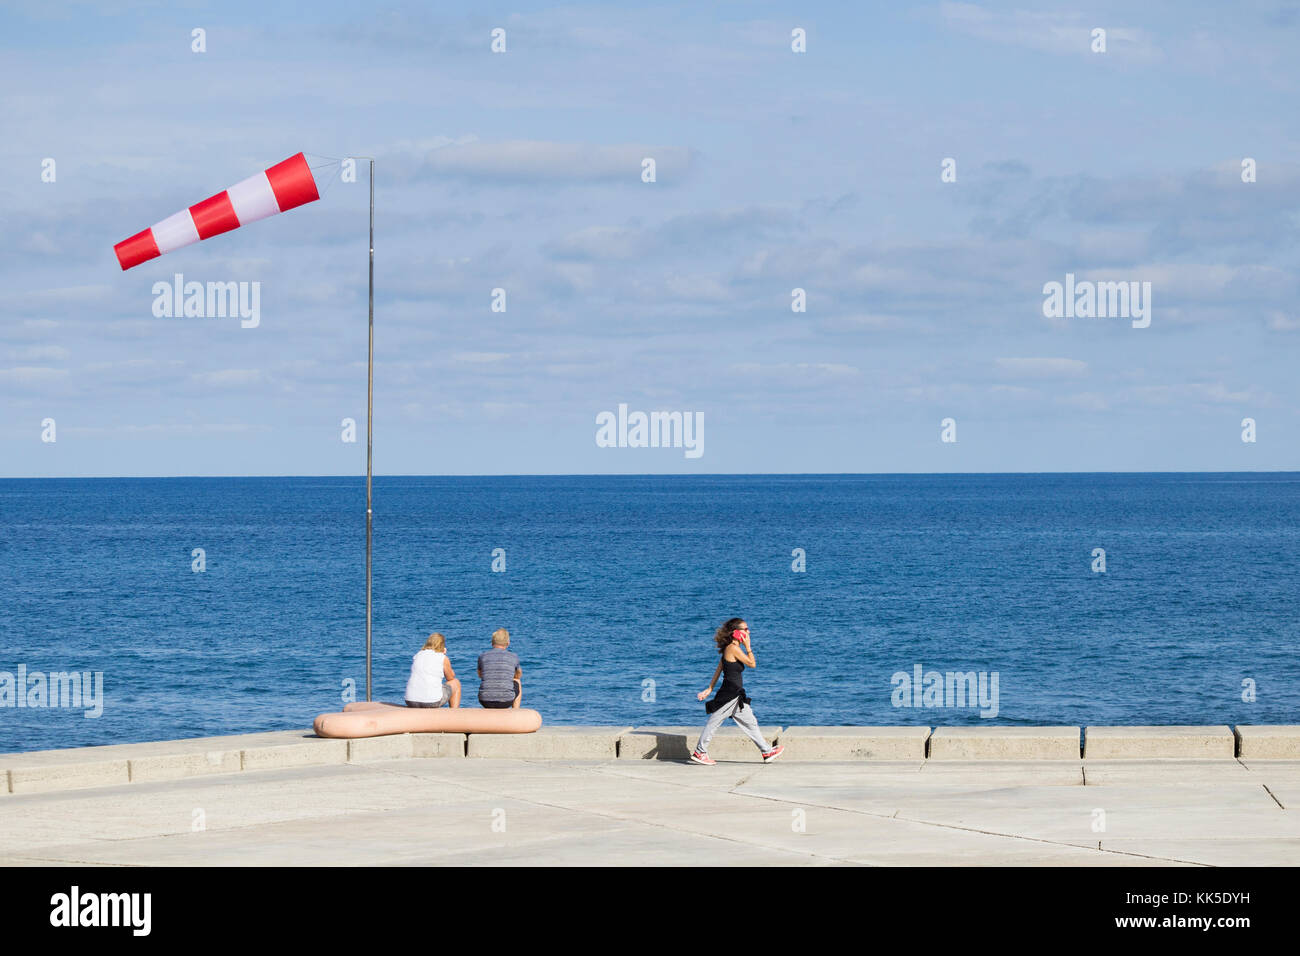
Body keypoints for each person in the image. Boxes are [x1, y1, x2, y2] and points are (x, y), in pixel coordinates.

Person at [691, 618, 783, 765]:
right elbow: (752, 664)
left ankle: (766, 752)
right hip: (730, 694)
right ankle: (700, 752)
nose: (749, 632)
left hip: (737, 694)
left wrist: (709, 688)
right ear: (736, 633)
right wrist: (748, 647)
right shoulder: (733, 648)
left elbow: (719, 668)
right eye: (745, 630)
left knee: (751, 723)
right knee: (713, 722)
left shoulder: (730, 648)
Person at [405, 632, 461, 708]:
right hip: (431, 702)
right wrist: (444, 655)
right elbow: (450, 678)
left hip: (410, 701)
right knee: (456, 683)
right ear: (442, 645)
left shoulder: (418, 655)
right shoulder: (442, 658)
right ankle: (454, 713)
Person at [478, 627, 522, 709]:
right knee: (517, 682)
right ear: (508, 643)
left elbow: (480, 675)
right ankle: (515, 711)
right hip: (506, 701)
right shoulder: (513, 656)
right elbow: (518, 675)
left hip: (484, 700)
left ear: (492, 643)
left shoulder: (482, 656)